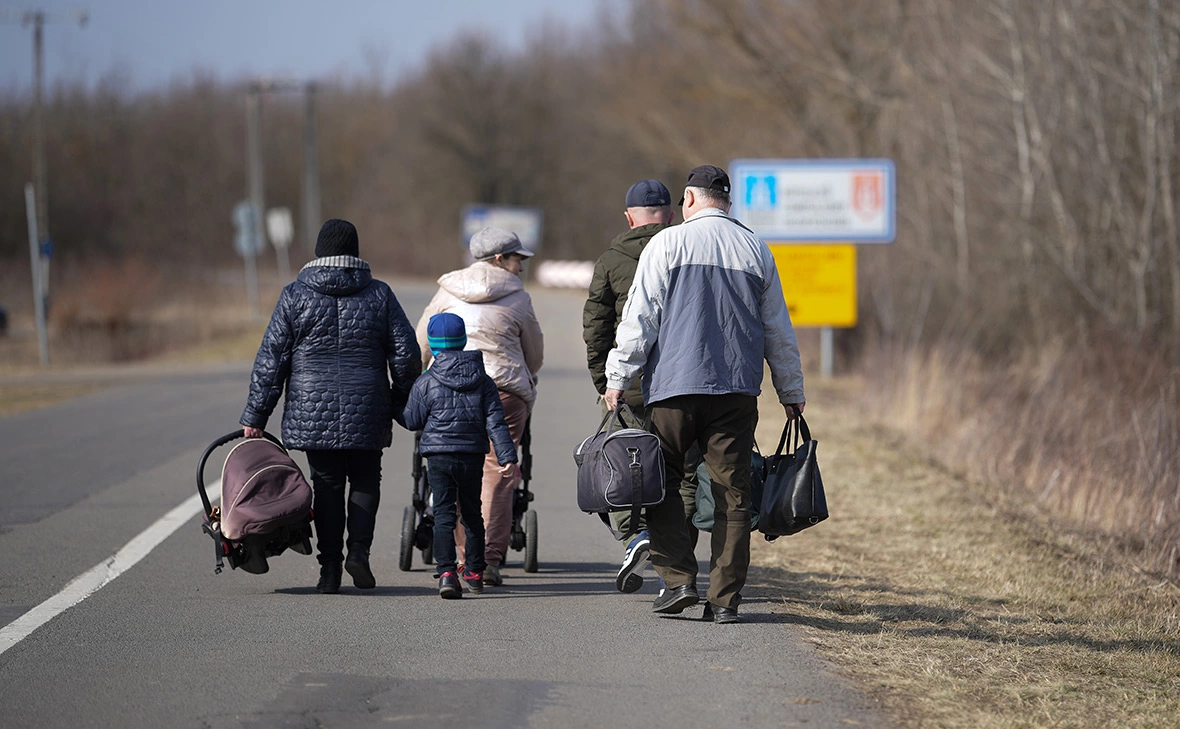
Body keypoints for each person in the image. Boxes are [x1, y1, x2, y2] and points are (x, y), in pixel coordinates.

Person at [603, 165, 806, 624]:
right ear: (728, 202)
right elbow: (778, 328)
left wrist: (618, 378)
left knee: (664, 482)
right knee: (734, 493)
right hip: (735, 390)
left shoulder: (667, 244)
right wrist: (790, 389)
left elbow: (640, 318)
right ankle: (725, 599)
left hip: (673, 389)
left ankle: (677, 582)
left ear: (689, 201)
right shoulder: (756, 248)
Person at [240, 218, 421, 594]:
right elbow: (405, 353)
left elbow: (272, 360)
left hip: (312, 407)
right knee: (367, 479)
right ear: (354, 251)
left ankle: (330, 570)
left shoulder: (295, 295)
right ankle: (359, 551)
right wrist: (401, 398)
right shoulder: (379, 294)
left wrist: (257, 415)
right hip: (368, 403)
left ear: (320, 251)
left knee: (326, 485)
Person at [582, 178, 702, 595]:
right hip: (682, 383)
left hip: (627, 385)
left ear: (629, 216)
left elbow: (596, 328)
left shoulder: (611, 260)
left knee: (620, 465)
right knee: (683, 473)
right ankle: (675, 550)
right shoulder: (687, 252)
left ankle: (635, 537)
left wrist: (605, 381)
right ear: (670, 215)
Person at [416, 227, 544, 586]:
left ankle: (461, 559)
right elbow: (534, 354)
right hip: (503, 391)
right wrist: (524, 378)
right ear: (500, 259)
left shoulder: (447, 291)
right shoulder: (519, 299)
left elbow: (421, 344)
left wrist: (425, 379)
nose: (521, 268)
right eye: (518, 259)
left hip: (445, 394)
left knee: (455, 473)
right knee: (498, 473)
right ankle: (487, 560)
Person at [402, 313, 518, 599]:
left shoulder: (426, 382)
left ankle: (446, 574)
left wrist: (395, 406)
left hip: (439, 457)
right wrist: (507, 456)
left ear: (432, 344)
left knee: (443, 514)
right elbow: (496, 422)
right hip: (471, 456)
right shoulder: (483, 381)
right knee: (471, 513)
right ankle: (476, 573)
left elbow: (413, 420)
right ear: (463, 340)